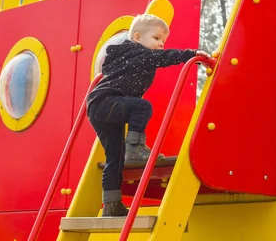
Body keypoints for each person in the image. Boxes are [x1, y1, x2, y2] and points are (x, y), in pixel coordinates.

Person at [86, 14, 211, 216]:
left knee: (114, 159)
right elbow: (164, 57)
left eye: (163, 40)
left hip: (98, 106)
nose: (161, 44)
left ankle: (111, 204)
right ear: (137, 37)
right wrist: (193, 55)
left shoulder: (124, 55)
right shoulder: (139, 54)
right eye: (156, 38)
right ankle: (134, 148)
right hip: (107, 101)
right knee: (142, 107)